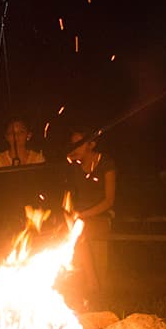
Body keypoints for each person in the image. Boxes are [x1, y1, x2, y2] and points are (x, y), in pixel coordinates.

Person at [65, 127, 116, 309]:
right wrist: (72, 214)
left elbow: (109, 201)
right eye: (74, 144)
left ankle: (92, 283)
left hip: (101, 216)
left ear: (91, 144)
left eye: (80, 143)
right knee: (74, 229)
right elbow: (68, 197)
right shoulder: (73, 166)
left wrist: (83, 215)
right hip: (79, 218)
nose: (76, 148)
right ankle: (75, 289)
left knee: (80, 231)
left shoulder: (105, 163)